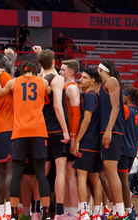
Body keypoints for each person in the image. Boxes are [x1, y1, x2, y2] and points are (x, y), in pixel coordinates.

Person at [0, 62, 51, 220]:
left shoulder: (14, 82)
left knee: (17, 174)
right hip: (39, 131)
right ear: (34, 70)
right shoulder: (43, 82)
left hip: (19, 132)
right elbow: (47, 91)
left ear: (21, 71)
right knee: (40, 174)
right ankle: (45, 214)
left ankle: (13, 215)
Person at [34, 46, 70, 219]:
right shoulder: (58, 79)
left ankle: (36, 211)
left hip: (40, 129)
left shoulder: (37, 78)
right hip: (55, 128)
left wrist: (38, 54)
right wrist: (65, 130)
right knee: (61, 171)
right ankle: (60, 212)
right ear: (54, 62)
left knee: (42, 171)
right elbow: (57, 106)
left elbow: (44, 66)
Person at [72, 68, 103, 220]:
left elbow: (86, 119)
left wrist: (77, 140)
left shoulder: (90, 96)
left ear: (92, 81)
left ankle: (83, 210)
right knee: (95, 179)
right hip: (95, 143)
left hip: (87, 142)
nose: (80, 79)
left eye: (84, 77)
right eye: (80, 77)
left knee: (81, 176)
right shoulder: (94, 95)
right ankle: (97, 212)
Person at [98, 60, 127, 219]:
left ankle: (121, 212)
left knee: (111, 172)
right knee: (108, 173)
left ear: (100, 69)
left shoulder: (111, 81)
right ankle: (117, 209)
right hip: (107, 131)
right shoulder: (104, 85)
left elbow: (116, 107)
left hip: (112, 131)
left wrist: (108, 130)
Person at [118, 87, 138, 220]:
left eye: (123, 95)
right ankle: (126, 207)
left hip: (122, 149)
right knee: (122, 181)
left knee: (121, 181)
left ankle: (128, 210)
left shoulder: (125, 109)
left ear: (128, 97)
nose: (122, 97)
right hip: (132, 150)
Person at [0, 54, 14, 220]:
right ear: (5, 62)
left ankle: (0, 210)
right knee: (9, 171)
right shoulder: (5, 76)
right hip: (8, 125)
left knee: (1, 171)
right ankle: (8, 210)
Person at [59, 59, 80, 216]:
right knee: (66, 175)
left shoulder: (72, 88)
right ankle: (67, 210)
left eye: (63, 69)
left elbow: (76, 115)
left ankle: (74, 210)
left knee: (70, 174)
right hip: (66, 134)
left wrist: (74, 138)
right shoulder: (66, 87)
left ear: (71, 73)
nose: (60, 72)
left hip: (72, 136)